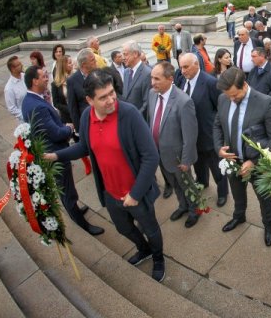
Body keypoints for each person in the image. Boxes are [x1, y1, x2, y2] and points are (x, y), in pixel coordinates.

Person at [45, 69, 165, 282]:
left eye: (112, 93)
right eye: (104, 97)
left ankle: (158, 258)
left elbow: (151, 156)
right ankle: (143, 249)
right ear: (90, 100)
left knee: (151, 229)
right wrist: (56, 155)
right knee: (123, 228)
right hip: (110, 193)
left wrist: (135, 194)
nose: (111, 100)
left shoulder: (129, 114)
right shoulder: (86, 117)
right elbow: (84, 146)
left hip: (135, 193)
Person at [23, 65, 104, 236]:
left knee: (68, 190)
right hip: (55, 156)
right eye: (44, 76)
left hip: (53, 152)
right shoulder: (37, 106)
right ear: (34, 81)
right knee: (67, 192)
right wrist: (69, 128)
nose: (47, 78)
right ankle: (83, 226)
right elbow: (56, 133)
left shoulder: (29, 100)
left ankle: (75, 210)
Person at [213, 67, 271, 246]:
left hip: (257, 166)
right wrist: (219, 148)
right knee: (237, 193)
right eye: (228, 96)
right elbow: (217, 126)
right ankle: (239, 216)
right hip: (232, 162)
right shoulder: (223, 98)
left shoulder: (265, 102)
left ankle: (268, 226)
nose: (231, 99)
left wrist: (254, 161)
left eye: (235, 95)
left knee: (264, 199)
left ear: (244, 85)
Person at [148, 61, 200, 228]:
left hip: (178, 158)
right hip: (160, 155)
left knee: (187, 185)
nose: (152, 82)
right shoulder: (151, 94)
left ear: (170, 79)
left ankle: (195, 210)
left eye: (157, 78)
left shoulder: (184, 102)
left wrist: (186, 160)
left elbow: (190, 136)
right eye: (151, 78)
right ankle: (183, 206)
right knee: (175, 185)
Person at [176, 53, 228, 207]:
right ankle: (203, 182)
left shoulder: (210, 82)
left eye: (186, 67)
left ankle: (223, 192)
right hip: (191, 136)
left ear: (196, 64)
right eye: (181, 67)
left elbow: (221, 108)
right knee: (198, 164)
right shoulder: (181, 81)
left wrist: (219, 133)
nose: (183, 71)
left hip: (208, 134)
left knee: (217, 168)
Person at [52, 55, 93, 175]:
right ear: (63, 66)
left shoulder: (78, 77)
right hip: (68, 116)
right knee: (78, 140)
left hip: (81, 113)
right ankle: (86, 162)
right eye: (69, 63)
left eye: (71, 62)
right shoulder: (56, 84)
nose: (71, 64)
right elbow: (56, 102)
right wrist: (70, 109)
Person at [67, 48, 97, 132]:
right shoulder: (72, 80)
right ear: (84, 64)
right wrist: (79, 129)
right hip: (88, 124)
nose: (95, 61)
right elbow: (73, 108)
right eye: (92, 60)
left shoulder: (98, 74)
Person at [121, 40, 152, 119]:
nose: (123, 58)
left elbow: (147, 103)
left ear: (135, 54)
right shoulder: (126, 72)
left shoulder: (147, 73)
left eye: (125, 54)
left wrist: (134, 118)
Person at [247, 47, 271, 113]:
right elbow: (248, 87)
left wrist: (262, 103)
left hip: (267, 108)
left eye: (254, 56)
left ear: (262, 56)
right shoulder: (253, 71)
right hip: (252, 107)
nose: (251, 59)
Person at [4, 56, 26, 123]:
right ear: (13, 69)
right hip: (26, 121)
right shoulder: (9, 88)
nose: (21, 65)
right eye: (19, 64)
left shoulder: (25, 76)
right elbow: (12, 108)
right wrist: (25, 116)